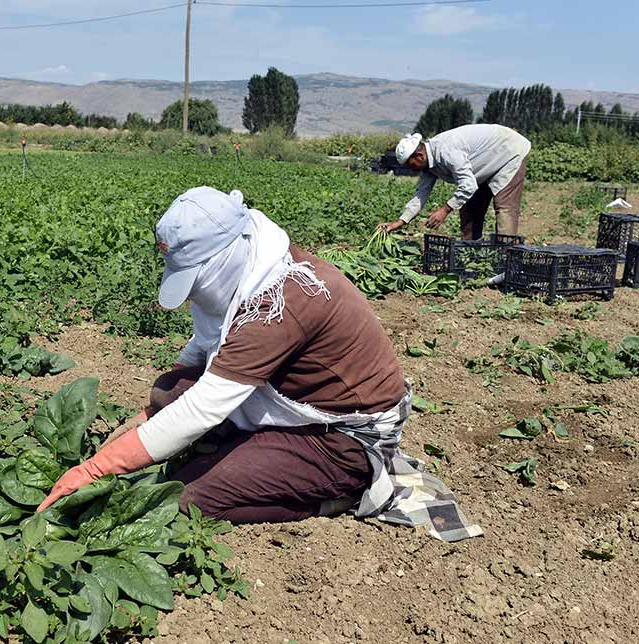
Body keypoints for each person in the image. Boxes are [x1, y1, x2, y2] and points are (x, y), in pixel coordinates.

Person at [38, 187, 480, 542]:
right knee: (170, 391)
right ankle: (248, 447)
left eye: (195, 281)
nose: (193, 295)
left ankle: (335, 494)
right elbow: (200, 351)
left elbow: (204, 406)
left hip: (338, 438)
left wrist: (97, 467)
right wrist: (154, 413)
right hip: (295, 401)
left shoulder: (279, 302)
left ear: (223, 258)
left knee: (188, 496)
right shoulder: (252, 266)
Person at [379, 124, 531, 240]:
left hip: (509, 151)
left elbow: (468, 185)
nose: (412, 170)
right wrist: (399, 222)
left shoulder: (446, 150)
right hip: (483, 164)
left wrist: (445, 210)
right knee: (469, 210)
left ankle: (507, 263)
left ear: (419, 155)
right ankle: (471, 257)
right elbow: (421, 195)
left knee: (504, 207)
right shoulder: (427, 165)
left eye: (410, 165)